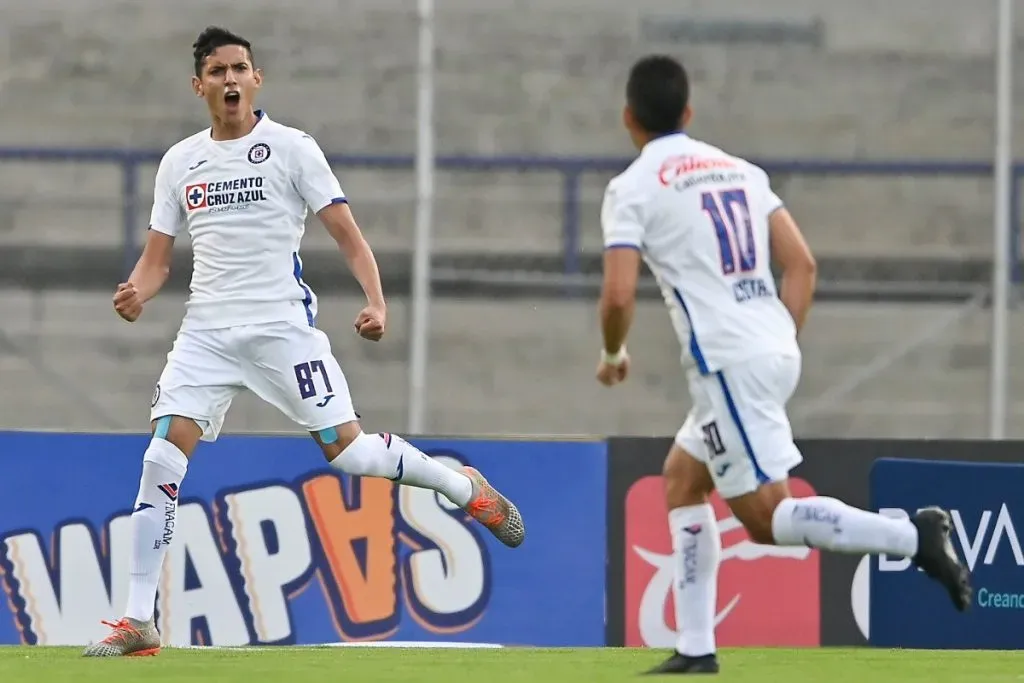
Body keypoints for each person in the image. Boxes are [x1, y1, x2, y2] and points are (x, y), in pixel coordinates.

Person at [83, 26, 524, 657]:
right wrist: (137, 291)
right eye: (217, 71)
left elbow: (346, 233)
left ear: (256, 79)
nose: (229, 79)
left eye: (239, 68)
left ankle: (461, 487)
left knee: (348, 453)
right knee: (161, 456)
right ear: (198, 85)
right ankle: (138, 620)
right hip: (205, 334)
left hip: (281, 329)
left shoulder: (291, 149)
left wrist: (375, 299)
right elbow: (157, 260)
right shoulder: (179, 162)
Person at [595, 55, 970, 676]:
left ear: (627, 118)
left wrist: (613, 355)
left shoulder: (631, 189)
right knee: (683, 479)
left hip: (727, 365)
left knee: (768, 518)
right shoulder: (741, 170)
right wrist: (775, 342)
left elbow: (616, 295)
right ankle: (694, 647)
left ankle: (915, 537)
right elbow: (803, 265)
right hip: (770, 345)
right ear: (688, 114)